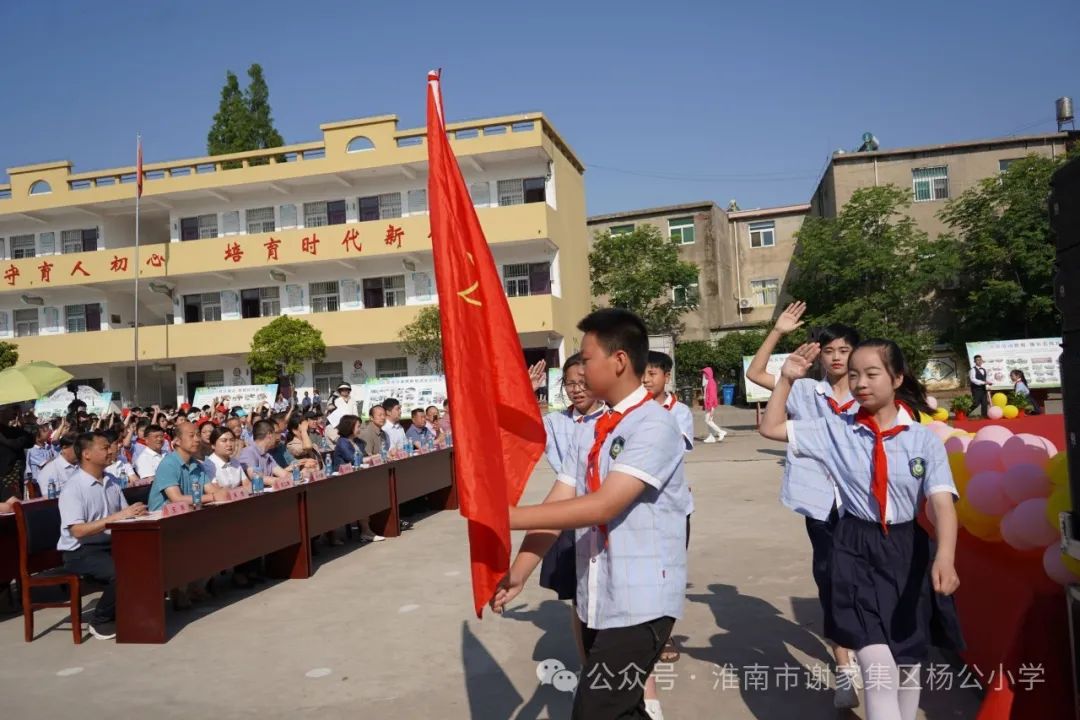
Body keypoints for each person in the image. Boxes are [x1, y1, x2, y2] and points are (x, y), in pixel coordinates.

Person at [492, 308, 690, 719]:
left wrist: (503, 516)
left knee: (595, 711)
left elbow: (605, 504)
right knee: (624, 708)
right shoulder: (590, 429)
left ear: (618, 361)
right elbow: (556, 507)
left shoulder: (653, 426)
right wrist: (519, 573)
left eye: (586, 357)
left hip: (641, 602)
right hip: (597, 596)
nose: (580, 368)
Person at [759, 340, 964, 720]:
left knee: (907, 661)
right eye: (854, 375)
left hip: (908, 550)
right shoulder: (835, 429)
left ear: (897, 377)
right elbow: (770, 428)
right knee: (878, 665)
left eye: (871, 374)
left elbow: (941, 503)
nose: (860, 383)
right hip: (854, 547)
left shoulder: (923, 440)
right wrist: (786, 380)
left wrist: (946, 557)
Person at [747, 302, 864, 709]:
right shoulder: (807, 392)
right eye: (829, 349)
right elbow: (755, 374)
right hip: (821, 504)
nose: (836, 357)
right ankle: (845, 667)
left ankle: (868, 650)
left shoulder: (870, 394)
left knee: (864, 581)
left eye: (844, 350)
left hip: (863, 504)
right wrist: (777, 332)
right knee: (831, 580)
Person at [58, 431, 148, 639]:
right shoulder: (74, 487)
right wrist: (118, 517)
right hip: (80, 551)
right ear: (87, 454)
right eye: (105, 447)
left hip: (109, 543)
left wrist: (136, 513)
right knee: (120, 572)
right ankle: (101, 621)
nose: (111, 450)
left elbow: (125, 515)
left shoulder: (112, 482)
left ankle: (134, 611)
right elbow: (77, 531)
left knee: (146, 561)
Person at [148, 422, 226, 512]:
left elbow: (210, 489)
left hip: (189, 513)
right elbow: (176, 499)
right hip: (162, 517)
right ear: (177, 441)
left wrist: (223, 493)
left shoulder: (197, 464)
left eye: (198, 435)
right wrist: (213, 497)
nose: (197, 439)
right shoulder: (168, 464)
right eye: (191, 436)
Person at [236, 420, 294, 487]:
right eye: (275, 433)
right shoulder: (248, 453)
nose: (278, 437)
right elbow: (258, 478)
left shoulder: (267, 455)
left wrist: (299, 475)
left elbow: (283, 474)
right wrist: (284, 482)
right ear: (269, 435)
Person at [0, 403, 34, 501]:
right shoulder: (7, 432)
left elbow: (30, 441)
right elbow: (17, 443)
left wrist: (23, 423)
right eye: (14, 407)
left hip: (15, 478)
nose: (16, 412)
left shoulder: (12, 431)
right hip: (5, 480)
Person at [35, 433, 79, 497]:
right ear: (64, 448)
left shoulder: (84, 465)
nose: (81, 452)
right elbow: (49, 499)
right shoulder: (49, 471)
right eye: (77, 449)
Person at [24, 423, 57, 494]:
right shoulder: (32, 450)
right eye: (44, 431)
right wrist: (55, 458)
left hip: (50, 479)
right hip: (39, 482)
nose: (48, 432)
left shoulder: (48, 446)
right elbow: (45, 464)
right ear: (37, 437)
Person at [700, 367, 726, 442]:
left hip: (710, 405)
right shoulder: (708, 382)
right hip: (708, 404)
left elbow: (712, 395)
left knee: (707, 420)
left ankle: (721, 432)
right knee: (709, 420)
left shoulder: (711, 382)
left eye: (704, 373)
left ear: (708, 374)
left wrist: (711, 407)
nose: (703, 375)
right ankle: (711, 437)